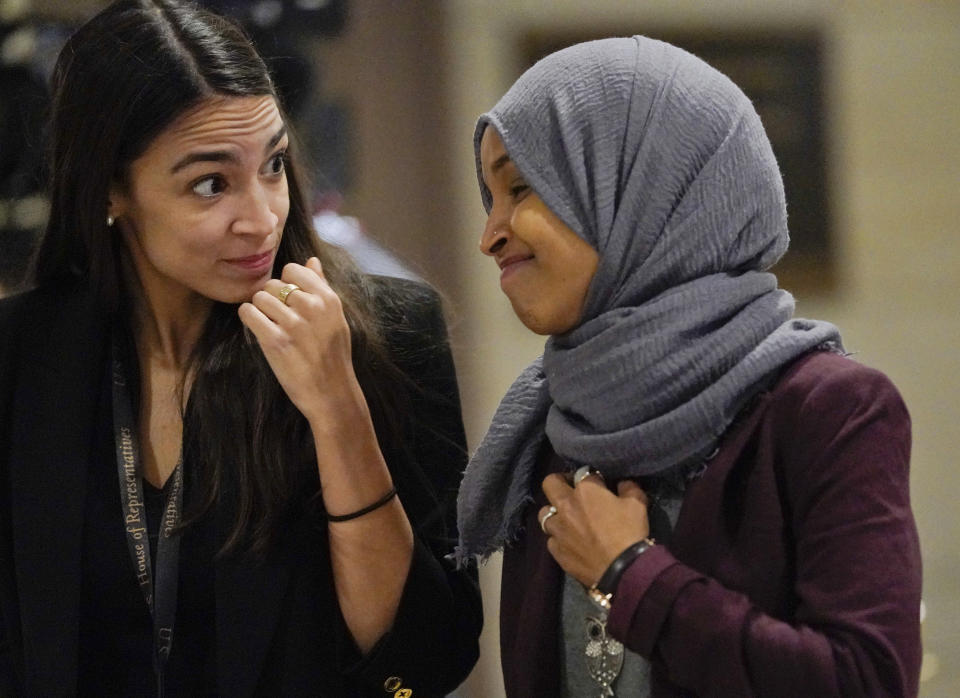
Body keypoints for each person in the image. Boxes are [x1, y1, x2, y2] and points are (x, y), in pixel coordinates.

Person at [0, 1, 481, 695]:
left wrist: (338, 411)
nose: (260, 218)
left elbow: (425, 657)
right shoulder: (23, 361)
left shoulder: (388, 334)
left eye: (274, 165)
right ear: (110, 189)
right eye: (210, 184)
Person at [456, 36, 921, 697]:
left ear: (641, 187)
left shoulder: (828, 409)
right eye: (489, 198)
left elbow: (866, 682)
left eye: (521, 186)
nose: (489, 234)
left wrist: (633, 575)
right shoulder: (551, 427)